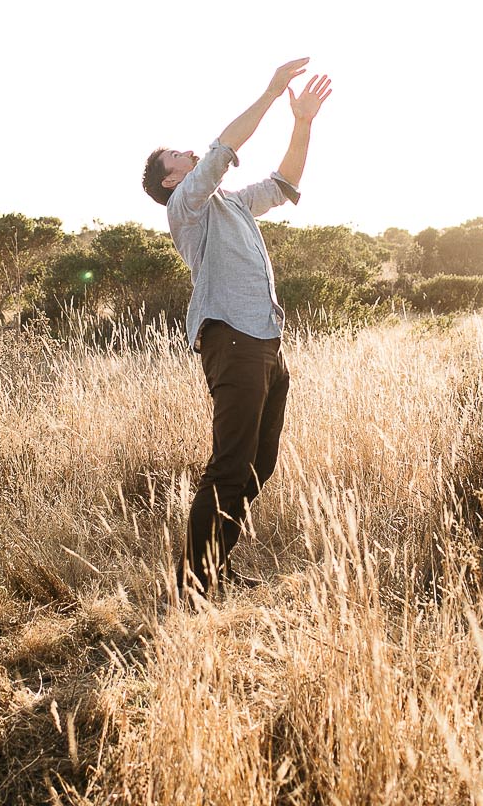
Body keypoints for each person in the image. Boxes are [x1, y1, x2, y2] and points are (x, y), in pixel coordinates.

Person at [141, 57, 334, 598]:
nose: (190, 153)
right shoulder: (187, 206)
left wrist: (302, 123)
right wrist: (272, 91)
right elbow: (223, 150)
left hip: (266, 342)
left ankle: (214, 568)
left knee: (258, 464)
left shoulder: (232, 205)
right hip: (232, 339)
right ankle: (194, 587)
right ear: (172, 177)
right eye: (178, 154)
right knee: (230, 464)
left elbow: (284, 184)